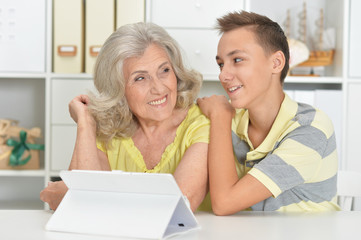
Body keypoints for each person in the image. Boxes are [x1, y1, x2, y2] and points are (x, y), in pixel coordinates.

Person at [40, 22, 210, 212]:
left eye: (164, 70)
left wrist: (70, 195)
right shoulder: (108, 129)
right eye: (140, 78)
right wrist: (85, 124)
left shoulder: (201, 124)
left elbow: (179, 207)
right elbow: (84, 208)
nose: (159, 88)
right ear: (118, 89)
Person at [197, 11, 340, 215]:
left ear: (276, 63)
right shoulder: (228, 119)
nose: (223, 75)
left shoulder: (311, 127)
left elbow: (224, 203)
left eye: (237, 60)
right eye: (221, 64)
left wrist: (220, 116)